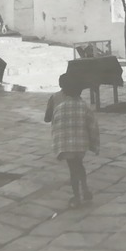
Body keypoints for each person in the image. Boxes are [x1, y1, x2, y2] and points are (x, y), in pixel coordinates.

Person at [44, 72, 100, 208]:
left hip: (66, 144)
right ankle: (85, 189)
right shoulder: (84, 106)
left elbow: (50, 121)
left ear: (61, 86)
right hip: (81, 144)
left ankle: (76, 197)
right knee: (79, 165)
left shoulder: (57, 103)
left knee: (73, 169)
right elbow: (93, 127)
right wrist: (94, 145)